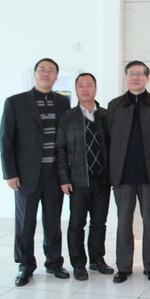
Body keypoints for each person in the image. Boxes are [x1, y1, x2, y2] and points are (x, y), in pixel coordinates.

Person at [0, 58, 71, 286]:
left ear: (56, 76)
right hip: (26, 175)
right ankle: (25, 266)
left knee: (53, 223)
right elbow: (6, 140)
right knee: (25, 224)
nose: (46, 74)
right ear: (35, 74)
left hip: (54, 175)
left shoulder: (62, 102)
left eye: (51, 71)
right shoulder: (15, 102)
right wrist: (10, 173)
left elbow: (65, 139)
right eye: (42, 70)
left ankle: (54, 263)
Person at [108, 60, 150, 283]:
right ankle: (123, 267)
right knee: (123, 222)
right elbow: (109, 138)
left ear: (147, 78)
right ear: (126, 78)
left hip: (149, 175)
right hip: (122, 175)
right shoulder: (114, 105)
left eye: (140, 74)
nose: (135, 77)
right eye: (131, 74)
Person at [56, 73, 113, 281]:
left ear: (95, 88)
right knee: (76, 223)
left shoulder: (106, 116)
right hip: (78, 180)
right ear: (76, 89)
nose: (85, 89)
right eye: (81, 86)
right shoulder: (67, 117)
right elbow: (60, 150)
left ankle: (97, 260)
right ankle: (78, 263)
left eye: (89, 85)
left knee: (99, 223)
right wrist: (64, 179)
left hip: (102, 180)